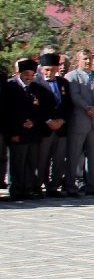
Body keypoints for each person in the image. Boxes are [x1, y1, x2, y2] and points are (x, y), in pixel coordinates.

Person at [3, 58, 51, 201]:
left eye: (31, 73)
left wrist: (34, 121)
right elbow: (7, 112)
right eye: (26, 73)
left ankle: (28, 189)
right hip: (17, 132)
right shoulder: (10, 87)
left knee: (31, 162)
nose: (29, 76)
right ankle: (16, 190)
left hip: (33, 132)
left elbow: (42, 110)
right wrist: (14, 131)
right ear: (19, 73)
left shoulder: (37, 89)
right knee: (17, 162)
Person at [65, 48, 94, 196]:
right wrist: (88, 108)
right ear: (78, 60)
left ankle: (93, 186)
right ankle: (70, 185)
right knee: (74, 155)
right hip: (79, 121)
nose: (89, 61)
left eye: (90, 59)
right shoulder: (71, 77)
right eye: (85, 59)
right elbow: (75, 96)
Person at [35, 53, 72, 197]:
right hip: (45, 128)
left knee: (59, 159)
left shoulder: (63, 83)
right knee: (42, 159)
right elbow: (36, 107)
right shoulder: (36, 83)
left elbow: (69, 105)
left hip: (61, 128)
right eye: (46, 69)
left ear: (57, 68)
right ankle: (38, 186)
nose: (49, 72)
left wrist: (61, 120)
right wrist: (48, 121)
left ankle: (53, 186)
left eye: (52, 69)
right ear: (41, 69)